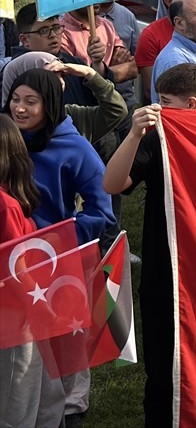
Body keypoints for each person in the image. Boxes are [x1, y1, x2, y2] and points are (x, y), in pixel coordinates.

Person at [104, 63, 196, 425]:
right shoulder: (156, 138)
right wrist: (134, 135)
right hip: (164, 272)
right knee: (164, 368)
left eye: (164, 101)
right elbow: (113, 184)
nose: (156, 108)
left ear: (192, 104)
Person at [14, 68, 115, 428]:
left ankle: (69, 412)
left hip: (60, 262)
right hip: (13, 262)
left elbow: (102, 211)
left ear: (50, 104)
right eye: (15, 99)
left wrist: (54, 237)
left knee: (66, 344)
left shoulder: (75, 147)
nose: (20, 109)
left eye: (31, 101)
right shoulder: (8, 140)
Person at [0, 113, 47, 428]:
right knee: (17, 396)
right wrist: (44, 304)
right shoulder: (7, 205)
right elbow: (17, 266)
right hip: (16, 315)